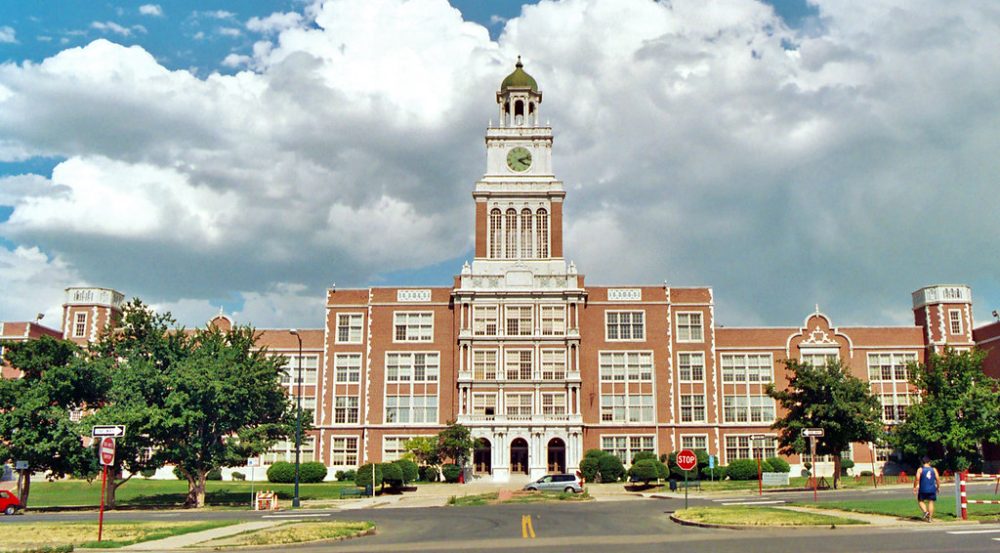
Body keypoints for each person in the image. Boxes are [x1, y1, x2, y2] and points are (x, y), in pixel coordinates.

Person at [913, 456, 940, 522]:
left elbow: (917, 479)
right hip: (932, 488)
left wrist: (915, 487)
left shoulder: (920, 469)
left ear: (922, 462)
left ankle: (925, 512)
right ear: (929, 462)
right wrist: (938, 487)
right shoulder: (933, 469)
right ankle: (930, 518)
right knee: (931, 502)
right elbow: (937, 479)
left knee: (920, 501)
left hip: (923, 488)